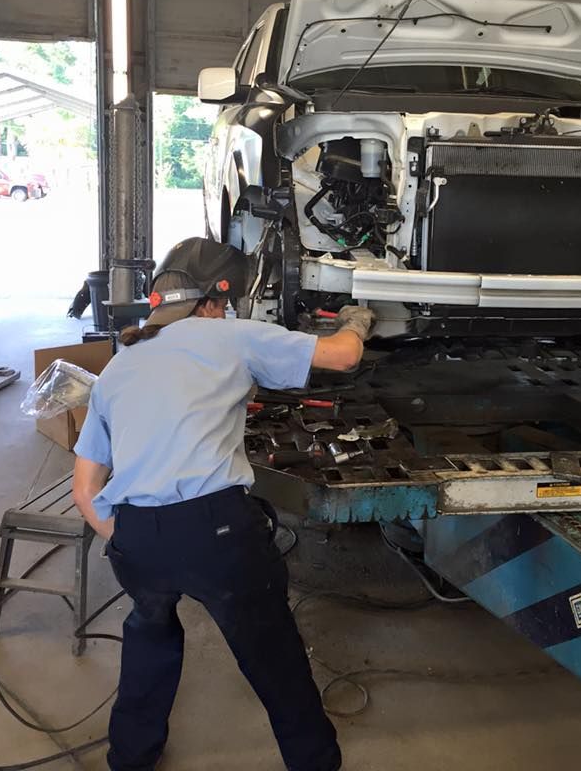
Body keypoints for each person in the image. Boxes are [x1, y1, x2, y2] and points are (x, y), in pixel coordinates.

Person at [71, 237, 374, 771]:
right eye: (226, 304)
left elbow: (84, 488)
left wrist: (125, 538)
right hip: (216, 534)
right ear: (213, 301)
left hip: (136, 536)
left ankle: (131, 757)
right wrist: (357, 316)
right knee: (274, 658)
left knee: (149, 635)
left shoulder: (118, 367)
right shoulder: (226, 335)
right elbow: (343, 357)